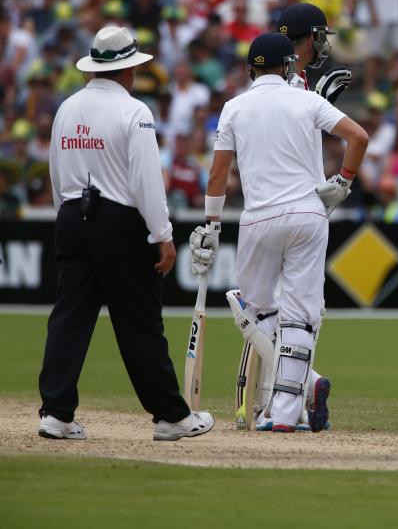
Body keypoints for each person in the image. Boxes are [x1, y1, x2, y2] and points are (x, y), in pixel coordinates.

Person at [39, 26, 213, 441]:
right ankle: (171, 416)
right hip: (120, 222)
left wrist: (68, 218)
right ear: (129, 70)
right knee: (139, 321)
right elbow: (147, 181)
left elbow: (56, 171)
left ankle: (56, 413)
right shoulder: (135, 112)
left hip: (72, 217)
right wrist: (164, 235)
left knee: (69, 316)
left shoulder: (67, 107)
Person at [194, 33, 367, 433]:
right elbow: (359, 137)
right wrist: (342, 180)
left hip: (259, 218)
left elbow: (219, 174)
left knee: (254, 310)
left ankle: (300, 391)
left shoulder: (234, 108)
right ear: (289, 66)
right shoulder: (307, 100)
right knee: (300, 315)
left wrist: (211, 224)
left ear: (249, 68)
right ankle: (290, 409)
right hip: (309, 214)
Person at [276, 2, 352, 103]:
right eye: (322, 36)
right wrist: (321, 104)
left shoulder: (287, 74)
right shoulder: (289, 81)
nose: (324, 42)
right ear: (312, 39)